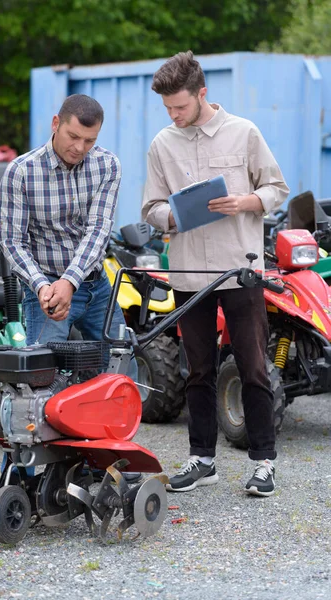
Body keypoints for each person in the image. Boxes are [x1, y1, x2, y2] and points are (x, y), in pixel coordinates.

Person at [142, 51, 290, 497]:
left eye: (180, 107)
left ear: (202, 93)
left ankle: (264, 463)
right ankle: (201, 460)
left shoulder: (244, 133)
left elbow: (276, 189)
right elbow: (150, 208)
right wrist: (174, 216)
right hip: (188, 275)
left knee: (253, 367)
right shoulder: (161, 144)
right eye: (168, 109)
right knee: (198, 371)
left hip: (239, 271)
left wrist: (244, 202)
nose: (174, 115)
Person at [0, 93, 140, 483]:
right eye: (74, 136)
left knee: (116, 370)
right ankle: (27, 475)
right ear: (56, 123)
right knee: (39, 380)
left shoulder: (107, 165)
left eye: (89, 140)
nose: (80, 148)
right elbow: (11, 242)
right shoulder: (21, 172)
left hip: (94, 285)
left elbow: (98, 232)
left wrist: (70, 281)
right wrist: (45, 286)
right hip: (42, 291)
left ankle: (110, 463)